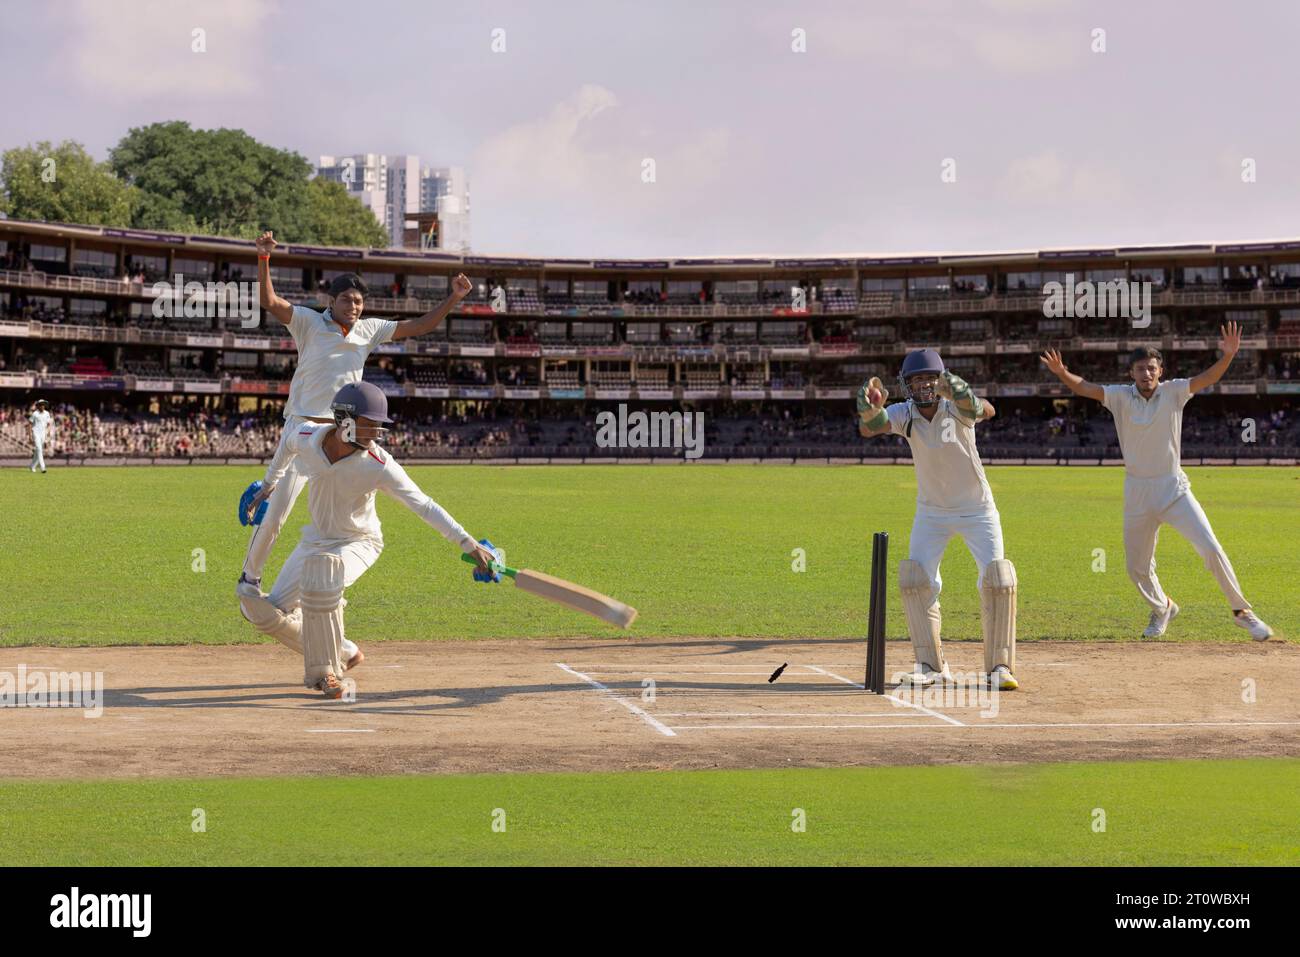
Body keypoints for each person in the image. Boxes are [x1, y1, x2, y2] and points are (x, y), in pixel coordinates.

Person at [237, 230, 473, 617]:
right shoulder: (310, 322)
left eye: (360, 301)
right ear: (332, 301)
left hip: (342, 437)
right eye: (347, 299)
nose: (354, 306)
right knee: (276, 512)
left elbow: (420, 326)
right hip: (301, 431)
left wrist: (454, 298)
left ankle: (330, 580)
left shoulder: (370, 329)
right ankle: (250, 579)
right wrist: (263, 258)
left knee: (338, 517)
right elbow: (270, 301)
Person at [236, 382, 496, 697]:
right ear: (344, 420)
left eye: (378, 426)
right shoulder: (307, 437)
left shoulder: (378, 464)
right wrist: (268, 485)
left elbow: (423, 505)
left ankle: (326, 673)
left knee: (323, 580)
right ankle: (345, 651)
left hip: (359, 542)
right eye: (369, 424)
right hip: (315, 541)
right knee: (265, 613)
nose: (375, 433)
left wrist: (468, 543)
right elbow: (286, 445)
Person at [1040, 325, 1273, 640]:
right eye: (1140, 369)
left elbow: (1207, 379)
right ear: (1132, 373)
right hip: (1137, 492)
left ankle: (1242, 612)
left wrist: (1228, 354)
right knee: (1136, 567)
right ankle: (1162, 607)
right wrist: (1063, 372)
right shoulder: (1121, 396)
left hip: (1173, 489)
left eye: (1151, 368)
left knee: (1210, 548)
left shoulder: (1174, 391)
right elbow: (1086, 388)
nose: (1146, 373)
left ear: (1160, 370)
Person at [856, 350, 1019, 690]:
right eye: (917, 379)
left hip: (978, 510)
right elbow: (871, 428)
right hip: (931, 512)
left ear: (941, 379)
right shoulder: (905, 413)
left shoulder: (956, 408)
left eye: (930, 378)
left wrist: (960, 392)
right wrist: (869, 406)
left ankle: (999, 667)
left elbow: (986, 410)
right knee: (915, 580)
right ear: (907, 385)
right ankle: (930, 665)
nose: (925, 384)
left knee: (999, 580)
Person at [29, 399, 54, 473]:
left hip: (43, 434)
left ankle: (32, 466)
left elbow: (49, 424)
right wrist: (30, 435)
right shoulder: (35, 414)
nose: (43, 406)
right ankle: (43, 467)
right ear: (38, 406)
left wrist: (48, 432)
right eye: (41, 404)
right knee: (39, 449)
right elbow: (30, 424)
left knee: (38, 451)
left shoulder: (47, 413)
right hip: (35, 432)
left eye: (43, 404)